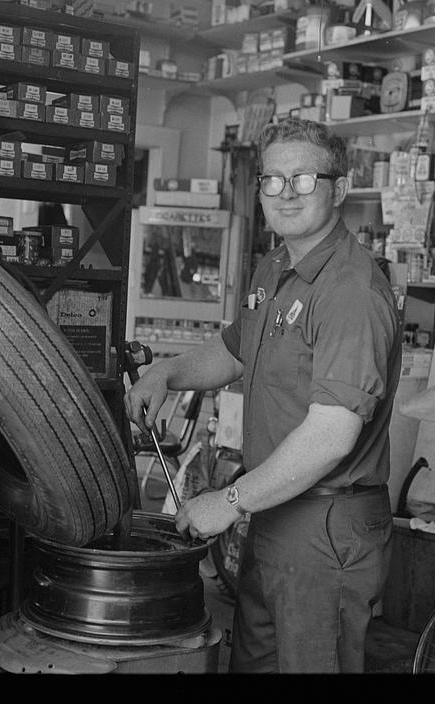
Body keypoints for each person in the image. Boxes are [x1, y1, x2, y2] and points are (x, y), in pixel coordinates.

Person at [124, 118, 402, 673]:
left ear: (339, 190)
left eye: (303, 179)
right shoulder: (275, 266)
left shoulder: (350, 290)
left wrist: (226, 503)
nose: (285, 193)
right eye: (272, 180)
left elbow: (330, 437)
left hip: (325, 528)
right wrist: (166, 371)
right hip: (274, 512)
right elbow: (234, 351)